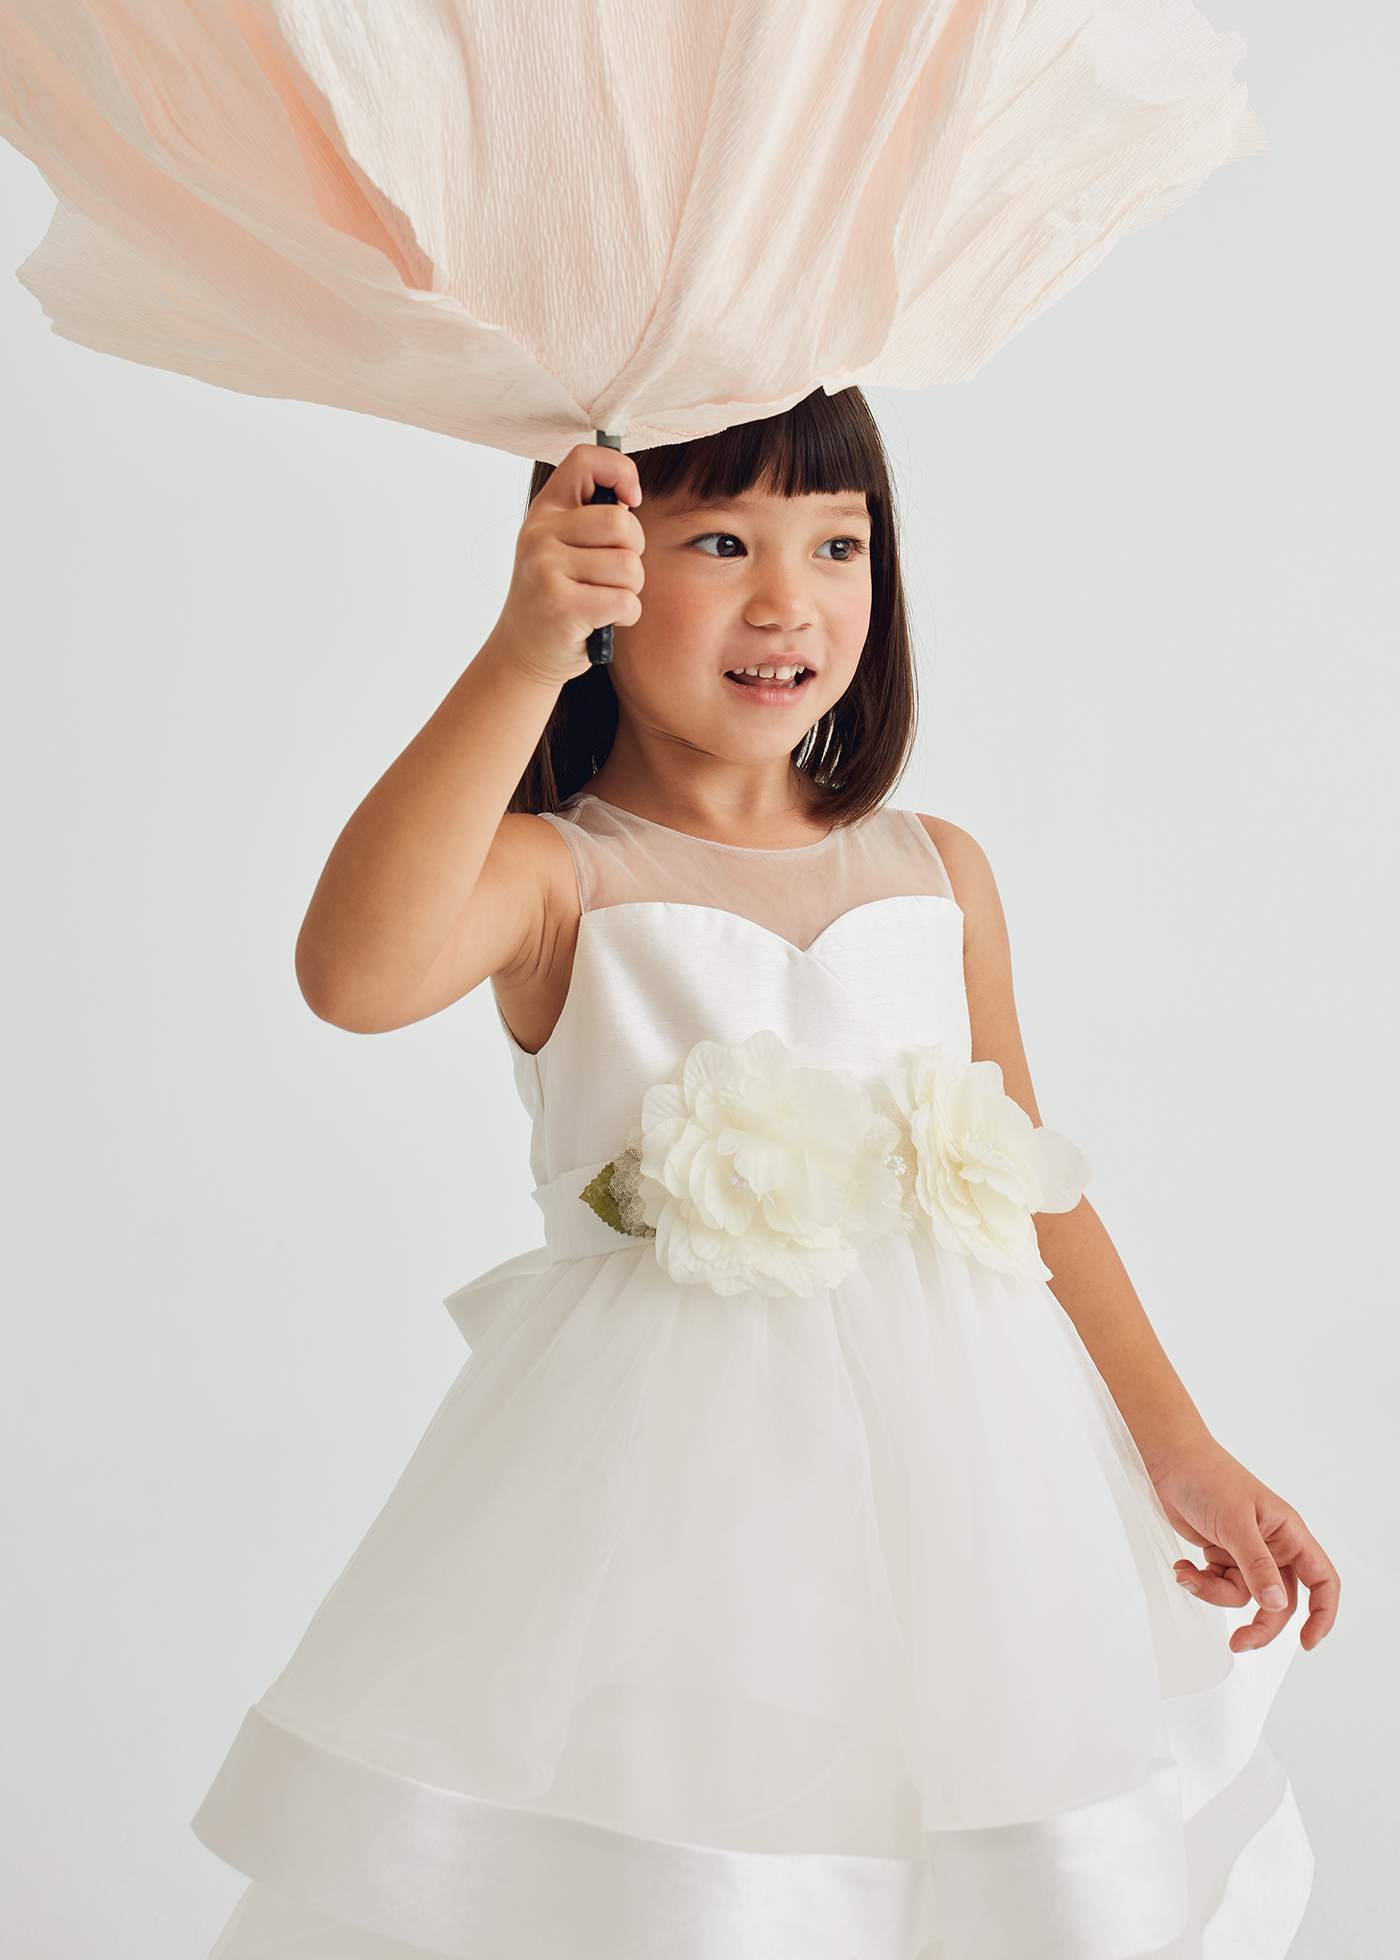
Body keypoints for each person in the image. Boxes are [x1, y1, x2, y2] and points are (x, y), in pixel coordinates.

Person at [191, 388, 1334, 1957]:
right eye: (721, 542)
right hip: (669, 1521)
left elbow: (1029, 1181)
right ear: (600, 563)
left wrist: (1178, 1444)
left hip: (974, 1510)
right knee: (699, 1887)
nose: (789, 598)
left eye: (837, 545)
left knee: (953, 1873)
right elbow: (354, 974)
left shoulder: (938, 871)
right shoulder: (559, 875)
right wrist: (522, 655)